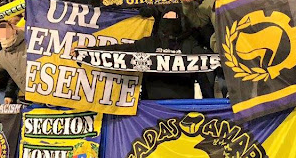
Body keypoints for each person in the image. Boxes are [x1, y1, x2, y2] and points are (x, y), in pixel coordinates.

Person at [74, 6, 214, 99]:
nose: (170, 23)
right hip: (151, 108)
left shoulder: (189, 44)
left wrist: (210, 102)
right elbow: (119, 51)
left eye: (173, 19)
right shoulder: (149, 43)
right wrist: (88, 51)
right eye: (167, 19)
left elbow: (207, 64)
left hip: (181, 106)